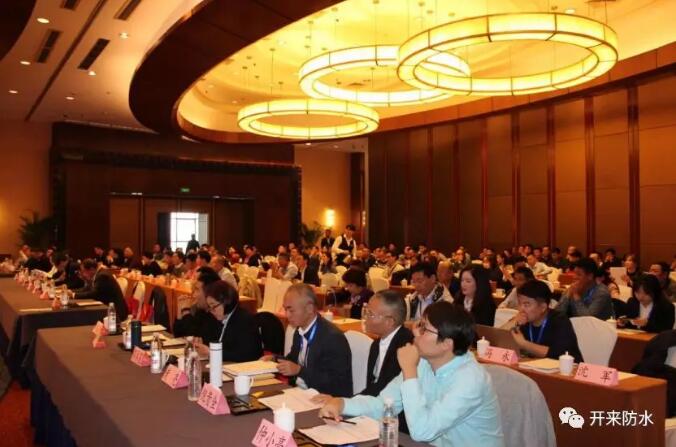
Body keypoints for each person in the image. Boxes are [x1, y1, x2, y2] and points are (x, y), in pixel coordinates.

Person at [319, 301, 504, 447]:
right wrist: (342, 403)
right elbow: (384, 404)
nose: (415, 333)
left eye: (424, 329)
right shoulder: (425, 362)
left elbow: (422, 431)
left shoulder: (470, 379)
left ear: (447, 344)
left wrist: (409, 370)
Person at [275, 284, 352, 397]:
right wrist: (274, 359)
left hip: (324, 398)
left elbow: (336, 384)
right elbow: (293, 360)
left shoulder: (332, 338)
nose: (287, 315)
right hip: (300, 393)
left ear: (309, 308)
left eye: (291, 310)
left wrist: (300, 371)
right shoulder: (299, 330)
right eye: (285, 309)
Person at [501, 280, 583, 363]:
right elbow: (498, 341)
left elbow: (558, 354)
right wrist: (514, 321)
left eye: (526, 304)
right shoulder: (522, 321)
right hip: (530, 367)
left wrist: (524, 344)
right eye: (519, 304)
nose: (521, 309)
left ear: (543, 307)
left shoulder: (559, 321)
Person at [195, 280, 263, 362]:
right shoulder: (216, 318)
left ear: (226, 302)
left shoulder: (244, 320)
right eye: (209, 306)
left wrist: (212, 352)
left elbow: (245, 355)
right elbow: (211, 340)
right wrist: (201, 343)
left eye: (214, 306)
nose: (211, 311)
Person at [172, 267, 220, 337]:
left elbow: (193, 336)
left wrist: (186, 311)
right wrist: (180, 311)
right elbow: (178, 334)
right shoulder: (201, 311)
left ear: (209, 293)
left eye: (196, 289)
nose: (193, 294)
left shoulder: (215, 314)